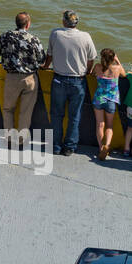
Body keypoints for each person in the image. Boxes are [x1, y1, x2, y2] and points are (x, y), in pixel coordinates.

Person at [43, 11, 97, 156]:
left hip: (58, 79)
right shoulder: (86, 36)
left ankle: (55, 146)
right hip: (78, 81)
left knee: (56, 114)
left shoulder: (55, 34)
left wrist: (45, 67)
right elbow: (91, 58)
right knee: (75, 115)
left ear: (64, 22)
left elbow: (50, 55)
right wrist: (87, 71)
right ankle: (69, 147)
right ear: (76, 23)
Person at [0, 12, 45, 141]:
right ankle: (21, 141)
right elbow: (42, 60)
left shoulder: (5, 36)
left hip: (12, 78)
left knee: (8, 109)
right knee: (25, 112)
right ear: (28, 24)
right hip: (30, 78)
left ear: (16, 23)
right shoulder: (34, 39)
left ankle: (9, 140)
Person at [92, 48, 124, 161]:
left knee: (100, 124)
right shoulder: (117, 68)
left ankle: (101, 148)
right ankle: (107, 145)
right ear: (113, 58)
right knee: (109, 126)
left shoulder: (97, 67)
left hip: (99, 99)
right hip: (111, 100)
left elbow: (92, 74)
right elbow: (124, 75)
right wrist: (118, 60)